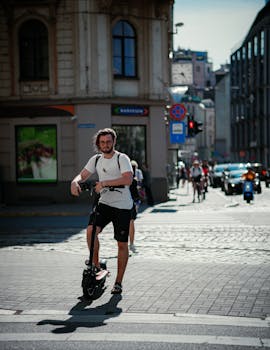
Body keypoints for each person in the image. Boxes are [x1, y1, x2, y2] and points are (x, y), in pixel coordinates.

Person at [70, 128, 133, 295]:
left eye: (108, 141)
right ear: (98, 143)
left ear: (113, 142)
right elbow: (82, 175)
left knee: (121, 244)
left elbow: (128, 179)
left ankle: (118, 282)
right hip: (104, 203)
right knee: (91, 231)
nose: (105, 145)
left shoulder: (122, 158)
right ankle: (96, 266)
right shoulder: (96, 159)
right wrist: (74, 182)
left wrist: (104, 184)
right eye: (102, 142)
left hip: (122, 205)